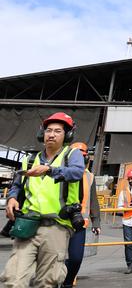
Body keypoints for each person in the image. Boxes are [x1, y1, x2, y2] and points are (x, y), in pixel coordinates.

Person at [0, 112, 85, 288]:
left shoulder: (72, 155)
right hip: (28, 225)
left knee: (48, 281)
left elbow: (77, 172)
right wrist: (12, 198)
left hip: (56, 226)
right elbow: (17, 184)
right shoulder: (30, 160)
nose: (51, 134)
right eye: (48, 130)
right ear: (42, 134)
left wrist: (49, 170)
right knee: (13, 279)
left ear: (67, 135)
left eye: (58, 131)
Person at [61, 142, 101, 288]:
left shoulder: (89, 177)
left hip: (79, 224)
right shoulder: (61, 172)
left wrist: (96, 223)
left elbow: (93, 202)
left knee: (76, 259)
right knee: (54, 258)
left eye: (82, 157)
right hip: (59, 222)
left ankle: (67, 282)